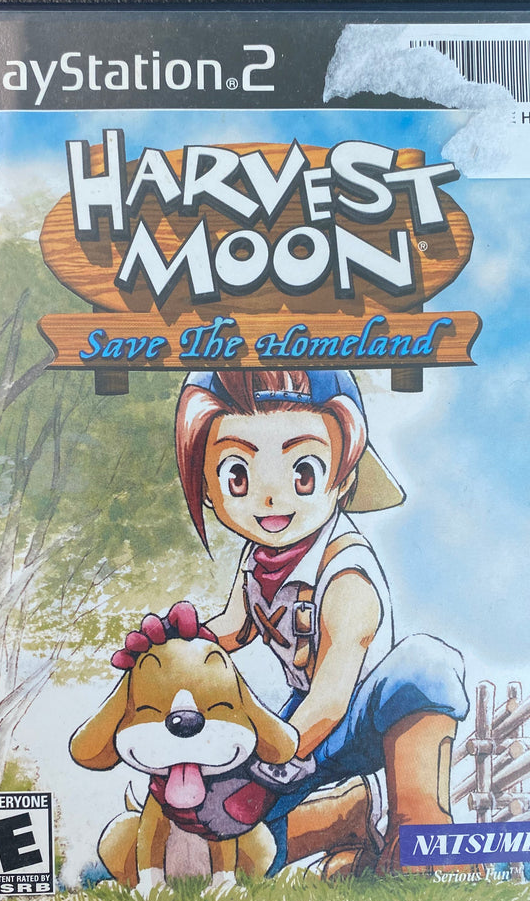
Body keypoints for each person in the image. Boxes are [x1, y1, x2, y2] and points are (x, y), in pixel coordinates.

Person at [173, 368, 470, 875]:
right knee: (216, 828)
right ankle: (344, 821)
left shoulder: (346, 573)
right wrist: (178, 643)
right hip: (301, 718)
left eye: (303, 474)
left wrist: (266, 765)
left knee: (425, 667)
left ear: (344, 478)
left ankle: (422, 832)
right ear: (206, 485)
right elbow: (236, 627)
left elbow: (332, 700)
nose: (270, 498)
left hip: (360, 716)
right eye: (238, 476)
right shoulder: (259, 558)